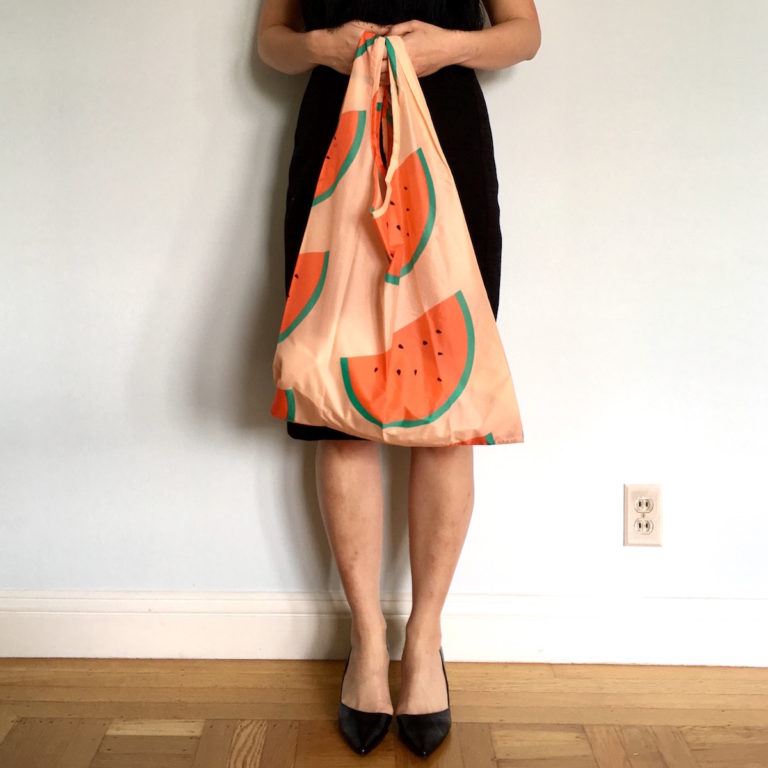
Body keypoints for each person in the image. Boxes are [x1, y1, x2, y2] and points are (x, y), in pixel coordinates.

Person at [257, 0, 540, 757]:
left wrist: (448, 47)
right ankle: (366, 638)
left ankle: (425, 639)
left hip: (447, 144)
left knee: (448, 407)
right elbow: (272, 44)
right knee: (336, 402)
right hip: (335, 140)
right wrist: (323, 46)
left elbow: (525, 35)